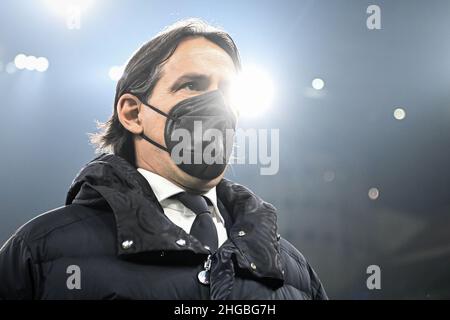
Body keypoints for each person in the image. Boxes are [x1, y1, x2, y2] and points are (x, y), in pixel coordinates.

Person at [0, 19, 327, 300]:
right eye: (192, 85)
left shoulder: (293, 271)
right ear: (132, 113)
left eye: (228, 91)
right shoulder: (41, 251)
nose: (217, 104)